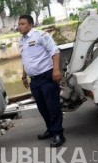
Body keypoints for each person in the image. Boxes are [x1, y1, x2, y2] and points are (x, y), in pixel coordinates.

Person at [17, 15, 65, 147]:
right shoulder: (21, 41)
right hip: (35, 80)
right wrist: (23, 75)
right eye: (19, 24)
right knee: (42, 107)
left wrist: (56, 70)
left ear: (30, 25)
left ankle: (58, 134)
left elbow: (54, 52)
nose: (19, 26)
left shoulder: (40, 35)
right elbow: (25, 59)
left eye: (22, 24)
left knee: (52, 106)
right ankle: (50, 129)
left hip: (47, 76)